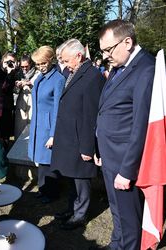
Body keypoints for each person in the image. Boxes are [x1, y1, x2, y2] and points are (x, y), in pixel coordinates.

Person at [94, 19, 155, 250]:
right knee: (117, 210)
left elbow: (141, 126)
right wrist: (99, 147)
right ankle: (116, 245)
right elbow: (106, 109)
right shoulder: (121, 67)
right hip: (110, 156)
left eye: (108, 49)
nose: (105, 56)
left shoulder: (146, 69)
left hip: (125, 162)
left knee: (130, 221)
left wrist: (127, 170)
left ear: (127, 42)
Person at [50, 39, 105, 229]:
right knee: (71, 177)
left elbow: (91, 116)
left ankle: (80, 215)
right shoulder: (74, 72)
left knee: (81, 180)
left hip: (80, 139)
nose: (64, 65)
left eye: (66, 60)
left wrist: (87, 147)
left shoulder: (92, 77)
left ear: (79, 56)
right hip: (69, 138)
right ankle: (72, 209)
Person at [28, 45, 65, 204]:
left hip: (49, 126)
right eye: (37, 64)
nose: (40, 67)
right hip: (38, 124)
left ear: (51, 60)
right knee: (42, 161)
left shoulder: (58, 79)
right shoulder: (39, 78)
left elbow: (58, 108)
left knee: (49, 161)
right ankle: (43, 189)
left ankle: (52, 193)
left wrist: (53, 134)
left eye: (43, 63)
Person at [0, 51, 19, 146]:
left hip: (8, 105)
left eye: (12, 61)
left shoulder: (13, 72)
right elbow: (2, 88)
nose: (9, 64)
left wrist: (13, 72)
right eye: (8, 61)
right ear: (3, 60)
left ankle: (6, 147)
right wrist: (9, 74)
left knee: (7, 131)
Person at [14, 54, 39, 139]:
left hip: (32, 102)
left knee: (31, 124)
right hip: (21, 102)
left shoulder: (37, 73)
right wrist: (17, 86)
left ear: (31, 64)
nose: (24, 68)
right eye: (22, 66)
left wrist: (29, 83)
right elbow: (14, 91)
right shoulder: (18, 74)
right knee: (19, 126)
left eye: (26, 66)